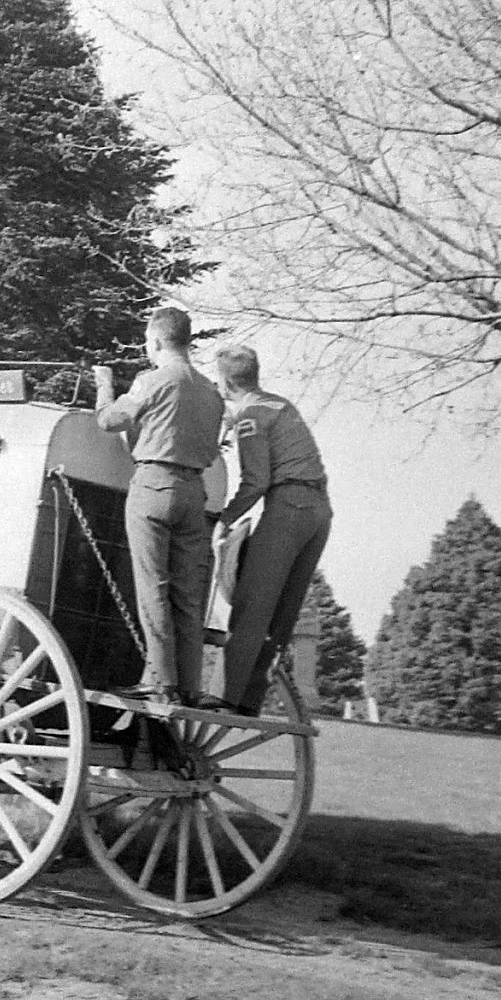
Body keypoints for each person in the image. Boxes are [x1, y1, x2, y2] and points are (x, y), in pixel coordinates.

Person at [93, 306, 225, 704]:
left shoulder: (151, 381)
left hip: (153, 486)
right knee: (188, 594)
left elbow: (109, 421)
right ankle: (190, 685)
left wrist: (104, 385)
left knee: (153, 586)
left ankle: (161, 680)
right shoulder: (211, 392)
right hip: (194, 492)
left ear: (155, 341)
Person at [213, 344, 332, 716]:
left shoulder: (250, 416)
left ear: (225, 383)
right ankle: (249, 701)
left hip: (289, 509)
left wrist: (224, 518)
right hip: (319, 513)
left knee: (253, 603)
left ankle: (222, 697)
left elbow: (256, 482)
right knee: (283, 614)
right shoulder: (279, 404)